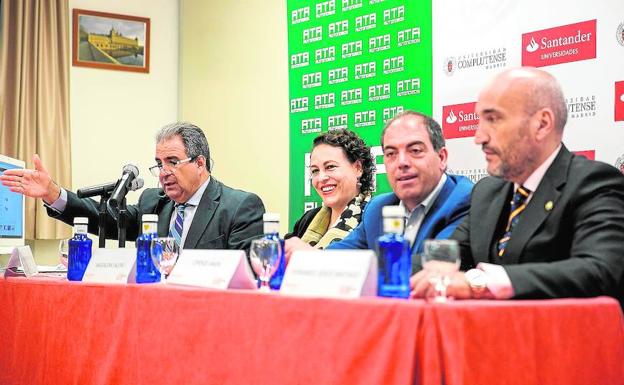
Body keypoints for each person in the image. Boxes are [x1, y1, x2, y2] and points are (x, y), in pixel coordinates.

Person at [410, 67, 624, 306]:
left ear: (542, 124)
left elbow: (600, 271)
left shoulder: (594, 183)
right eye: (479, 121)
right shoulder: (487, 192)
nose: (478, 137)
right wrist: (374, 270)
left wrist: (479, 284)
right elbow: (447, 257)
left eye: (493, 119)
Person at [0, 122, 265, 251]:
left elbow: (247, 277)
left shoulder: (239, 207)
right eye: (159, 163)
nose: (163, 173)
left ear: (199, 162)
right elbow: (103, 218)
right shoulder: (154, 202)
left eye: (172, 162)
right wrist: (54, 194)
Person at [322, 111, 474, 273]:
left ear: (442, 158)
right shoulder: (378, 208)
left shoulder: (465, 200)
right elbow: (338, 255)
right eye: (391, 154)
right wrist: (307, 256)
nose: (401, 163)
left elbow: (432, 265)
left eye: (415, 151)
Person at [285, 129, 375, 250]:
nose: (321, 178)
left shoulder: (372, 219)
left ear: (358, 168)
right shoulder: (308, 219)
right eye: (315, 171)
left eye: (330, 167)